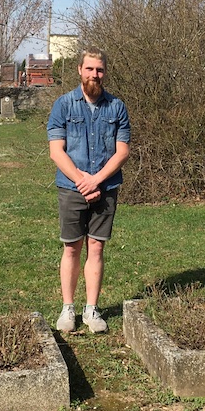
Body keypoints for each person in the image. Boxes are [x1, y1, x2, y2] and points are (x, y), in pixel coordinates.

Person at [47, 47, 131, 333]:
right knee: (72, 248)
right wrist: (83, 180)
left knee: (96, 247)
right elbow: (56, 151)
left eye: (100, 70)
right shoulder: (63, 105)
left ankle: (91, 310)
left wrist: (96, 180)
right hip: (71, 188)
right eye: (90, 69)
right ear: (79, 70)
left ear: (105, 72)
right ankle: (68, 309)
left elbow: (122, 152)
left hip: (105, 188)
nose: (95, 74)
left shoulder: (117, 107)